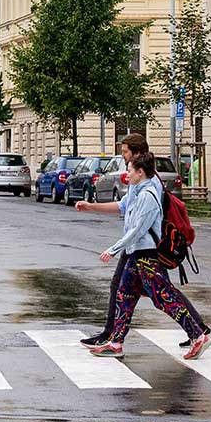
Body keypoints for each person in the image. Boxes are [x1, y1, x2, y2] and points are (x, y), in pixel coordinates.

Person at [83, 152, 211, 359]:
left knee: (163, 298)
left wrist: (113, 249)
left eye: (130, 170)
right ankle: (116, 343)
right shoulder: (139, 190)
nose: (127, 173)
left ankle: (197, 335)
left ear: (140, 172)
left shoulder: (148, 195)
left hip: (147, 257)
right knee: (124, 295)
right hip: (136, 255)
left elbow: (138, 230)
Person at [74, 133, 147, 347]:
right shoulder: (137, 180)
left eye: (125, 152)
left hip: (142, 245)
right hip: (134, 244)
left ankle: (198, 331)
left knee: (159, 294)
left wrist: (115, 248)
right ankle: (112, 336)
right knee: (126, 289)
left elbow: (142, 222)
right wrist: (91, 206)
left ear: (138, 153)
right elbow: (123, 206)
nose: (122, 156)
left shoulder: (148, 182)